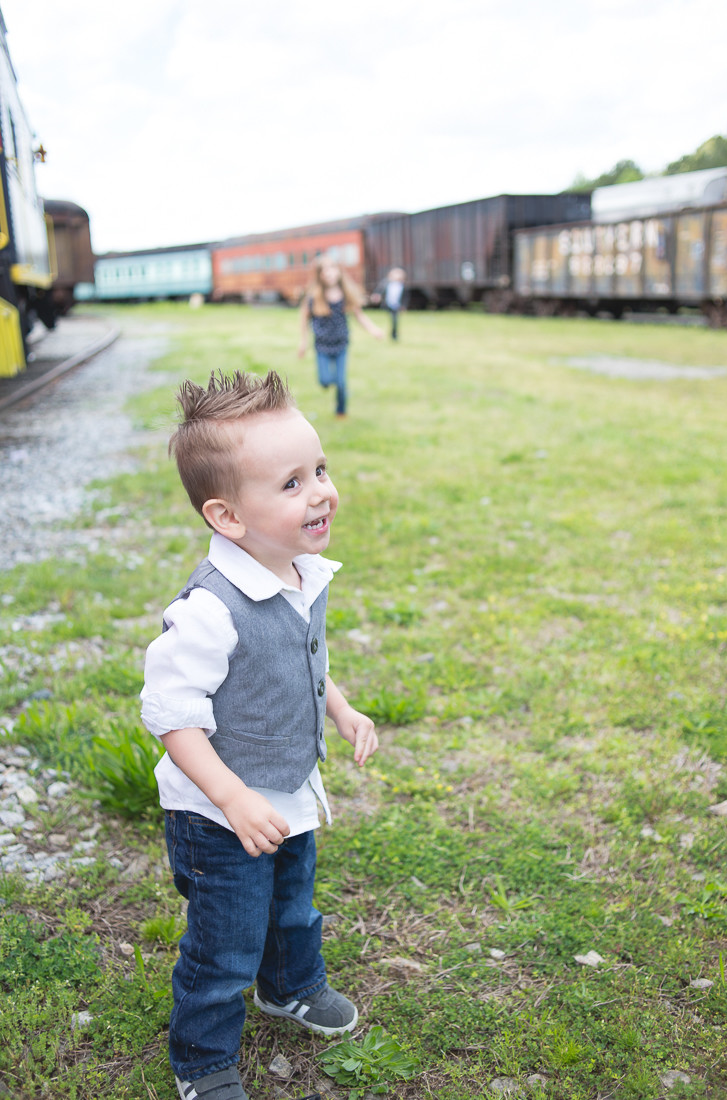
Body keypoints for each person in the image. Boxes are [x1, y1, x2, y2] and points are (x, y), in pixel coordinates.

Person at [140, 369, 379, 1100]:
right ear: (227, 517)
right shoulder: (209, 612)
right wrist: (232, 797)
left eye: (320, 471)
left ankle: (290, 987)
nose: (319, 491)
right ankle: (202, 1058)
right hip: (219, 811)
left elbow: (301, 656)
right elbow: (172, 716)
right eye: (291, 483)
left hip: (287, 789)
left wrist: (338, 708)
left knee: (293, 903)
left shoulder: (302, 571)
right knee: (226, 939)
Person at [298, 256, 384, 417]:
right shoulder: (314, 296)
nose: (329, 273)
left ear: (338, 271)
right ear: (319, 275)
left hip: (341, 345)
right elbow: (304, 318)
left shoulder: (345, 294)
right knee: (324, 381)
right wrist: (303, 342)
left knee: (341, 382)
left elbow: (360, 316)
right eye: (324, 271)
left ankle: (341, 411)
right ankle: (329, 383)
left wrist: (373, 330)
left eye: (332, 268)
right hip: (322, 346)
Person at [383, 267, 407, 341]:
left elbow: (405, 297)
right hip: (388, 304)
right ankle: (392, 334)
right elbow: (383, 293)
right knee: (391, 320)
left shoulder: (402, 286)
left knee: (395, 321)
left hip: (396, 306)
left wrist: (403, 306)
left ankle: (394, 335)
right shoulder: (388, 285)